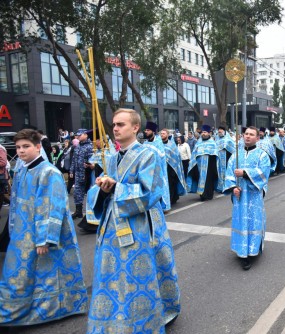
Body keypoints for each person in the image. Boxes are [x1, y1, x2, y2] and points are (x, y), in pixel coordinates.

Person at [86, 108, 180, 332]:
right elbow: (97, 191)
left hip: (139, 224)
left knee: (138, 271)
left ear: (135, 127)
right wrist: (102, 188)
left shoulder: (149, 154)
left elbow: (151, 192)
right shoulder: (110, 157)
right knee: (111, 271)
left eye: (121, 124)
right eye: (114, 125)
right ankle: (112, 316)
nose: (115, 128)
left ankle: (142, 317)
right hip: (111, 223)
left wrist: (116, 187)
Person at [0, 129, 88, 325]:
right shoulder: (22, 169)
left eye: (26, 146)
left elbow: (51, 208)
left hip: (43, 234)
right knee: (22, 274)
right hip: (22, 234)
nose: (21, 151)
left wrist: (45, 239)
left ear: (38, 147)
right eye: (18, 147)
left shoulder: (49, 173)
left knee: (49, 273)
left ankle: (52, 309)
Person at [223, 126, 271, 270]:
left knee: (253, 223)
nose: (248, 136)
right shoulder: (235, 155)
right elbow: (229, 173)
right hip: (239, 196)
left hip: (254, 196)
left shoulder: (262, 155)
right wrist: (233, 188)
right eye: (246, 134)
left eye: (251, 134)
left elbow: (263, 173)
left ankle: (251, 253)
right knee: (240, 222)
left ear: (257, 138)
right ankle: (241, 251)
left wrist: (244, 172)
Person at [186, 124, 220, 201]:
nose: (203, 134)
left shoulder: (212, 143)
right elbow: (194, 153)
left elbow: (215, 154)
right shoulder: (198, 142)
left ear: (209, 133)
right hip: (198, 165)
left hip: (209, 166)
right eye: (202, 132)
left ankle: (208, 194)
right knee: (199, 179)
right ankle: (201, 194)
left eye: (205, 132)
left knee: (208, 180)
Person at [143, 122, 171, 211]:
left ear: (153, 132)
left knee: (159, 188)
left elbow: (161, 157)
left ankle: (162, 206)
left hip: (158, 170)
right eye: (146, 130)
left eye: (148, 130)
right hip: (147, 170)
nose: (146, 132)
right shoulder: (145, 143)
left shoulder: (159, 143)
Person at [69, 129, 93, 219]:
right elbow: (74, 160)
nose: (78, 136)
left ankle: (91, 213)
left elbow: (92, 160)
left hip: (87, 174)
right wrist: (71, 171)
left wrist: (89, 165)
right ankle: (78, 211)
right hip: (78, 173)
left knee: (89, 193)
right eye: (77, 135)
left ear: (86, 135)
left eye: (80, 135)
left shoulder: (90, 146)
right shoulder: (77, 146)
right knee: (77, 193)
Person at [160, 128, 187, 205]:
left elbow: (176, 156)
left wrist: (174, 168)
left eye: (163, 133)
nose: (162, 135)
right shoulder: (158, 144)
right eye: (161, 133)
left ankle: (171, 199)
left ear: (167, 135)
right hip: (161, 168)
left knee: (171, 184)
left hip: (170, 168)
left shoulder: (172, 145)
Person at [215, 126, 236, 192]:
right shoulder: (216, 139)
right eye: (219, 131)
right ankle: (220, 187)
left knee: (227, 172)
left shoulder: (228, 139)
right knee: (219, 172)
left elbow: (233, 149)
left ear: (224, 131)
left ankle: (228, 186)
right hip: (218, 159)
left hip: (227, 158)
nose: (220, 132)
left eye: (221, 131)